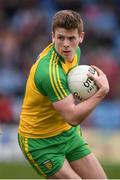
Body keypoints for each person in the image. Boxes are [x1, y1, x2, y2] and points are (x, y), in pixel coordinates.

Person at [18, 10, 109, 179]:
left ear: (81, 37)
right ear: (52, 36)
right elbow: (73, 117)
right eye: (60, 38)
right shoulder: (49, 72)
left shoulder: (76, 53)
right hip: (40, 142)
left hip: (67, 134)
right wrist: (101, 92)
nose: (66, 44)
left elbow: (72, 94)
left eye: (71, 38)